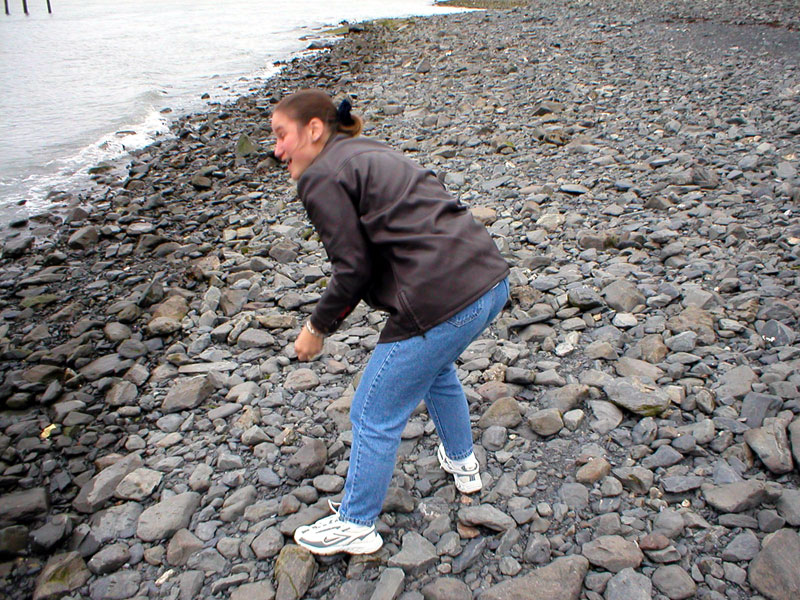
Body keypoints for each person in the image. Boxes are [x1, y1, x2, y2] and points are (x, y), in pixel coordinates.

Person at [270, 89, 509, 556]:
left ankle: (357, 523)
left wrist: (316, 329)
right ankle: (464, 464)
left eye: (281, 135)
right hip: (488, 280)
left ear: (314, 130)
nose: (276, 149)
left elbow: (352, 269)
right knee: (435, 370)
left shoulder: (321, 175)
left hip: (440, 300)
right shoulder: (366, 150)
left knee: (373, 412)